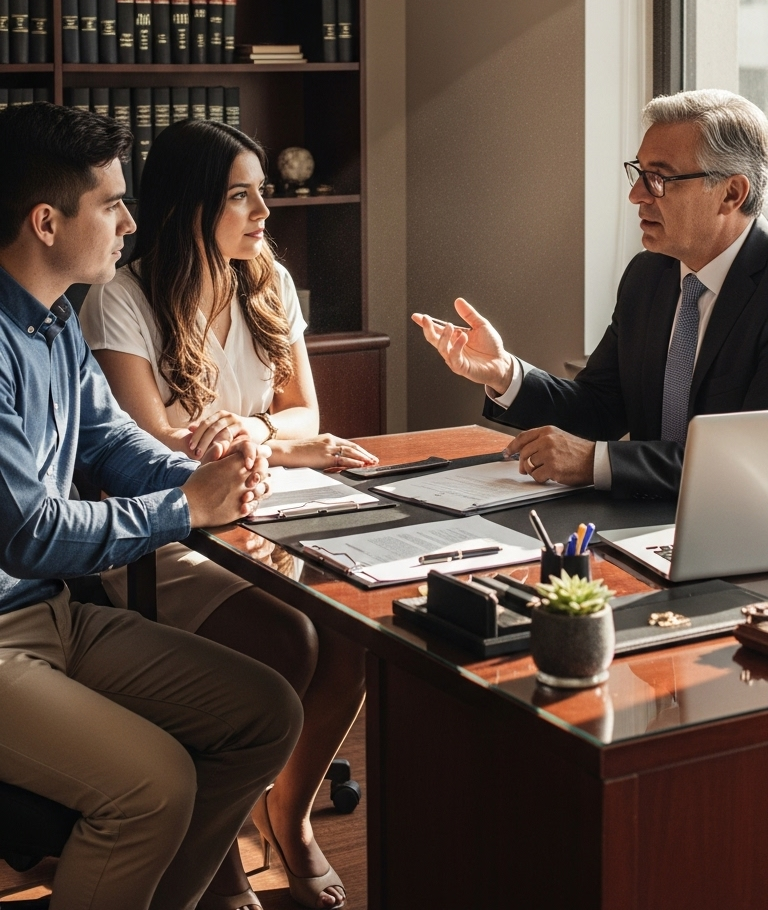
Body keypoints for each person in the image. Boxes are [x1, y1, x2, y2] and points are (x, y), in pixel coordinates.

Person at [0, 102, 303, 910]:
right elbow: (28, 531)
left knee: (266, 711)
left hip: (51, 614)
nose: (131, 222)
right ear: (46, 221)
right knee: (155, 784)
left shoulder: (56, 317)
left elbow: (108, 442)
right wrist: (185, 510)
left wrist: (203, 465)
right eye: (111, 204)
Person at [80, 119, 376, 910]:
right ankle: (221, 852)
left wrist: (250, 434)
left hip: (267, 510)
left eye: (262, 192)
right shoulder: (121, 297)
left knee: (352, 633)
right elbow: (150, 448)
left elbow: (307, 414)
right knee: (286, 640)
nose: (262, 212)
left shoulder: (267, 280)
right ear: (190, 206)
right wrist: (261, 445)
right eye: (240, 195)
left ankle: (291, 814)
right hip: (164, 535)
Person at [413, 90, 768, 500]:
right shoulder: (648, 276)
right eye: (639, 173)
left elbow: (748, 464)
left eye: (660, 178)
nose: (637, 195)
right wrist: (504, 373)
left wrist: (595, 462)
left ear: (731, 193)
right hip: (641, 525)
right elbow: (599, 407)